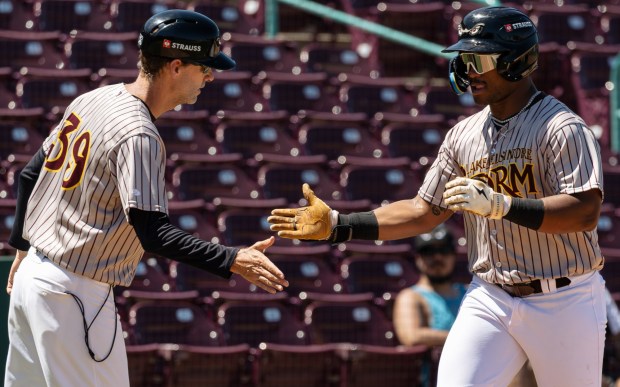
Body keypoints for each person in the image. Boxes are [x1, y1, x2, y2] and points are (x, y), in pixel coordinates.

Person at [268, 6, 606, 386]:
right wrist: (339, 225)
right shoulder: (463, 135)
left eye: (478, 59)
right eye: (464, 59)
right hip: (490, 296)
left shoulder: (562, 128)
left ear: (516, 62)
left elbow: (584, 211)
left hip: (563, 298)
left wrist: (502, 206)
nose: (468, 71)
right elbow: (423, 211)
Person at [4, 9, 288, 387]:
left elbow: (29, 174)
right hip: (74, 291)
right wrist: (232, 259)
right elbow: (153, 232)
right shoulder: (139, 133)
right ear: (175, 65)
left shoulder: (94, 98)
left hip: (32, 281)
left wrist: (22, 246)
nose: (209, 75)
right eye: (203, 65)